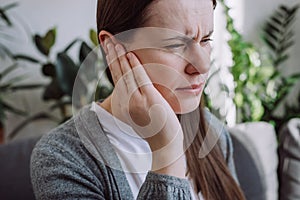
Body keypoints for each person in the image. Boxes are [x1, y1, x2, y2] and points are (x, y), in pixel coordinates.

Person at [30, 0, 246, 199]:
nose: (202, 65)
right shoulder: (63, 158)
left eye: (206, 40)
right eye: (174, 45)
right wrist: (167, 155)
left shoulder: (211, 132)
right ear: (112, 47)